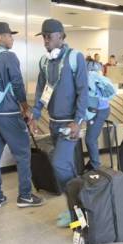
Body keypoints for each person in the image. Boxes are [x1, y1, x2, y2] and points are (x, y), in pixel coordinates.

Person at [30, 18, 88, 226]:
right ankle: (77, 210)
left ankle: (80, 208)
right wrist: (35, 114)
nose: (45, 40)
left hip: (70, 124)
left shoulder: (75, 58)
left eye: (49, 36)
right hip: (54, 123)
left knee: (59, 163)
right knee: (68, 167)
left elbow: (83, 91)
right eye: (43, 37)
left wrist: (78, 121)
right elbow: (41, 90)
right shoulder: (45, 62)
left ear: (61, 36)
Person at [0, 22, 43, 208]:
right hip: (8, 113)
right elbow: (17, 84)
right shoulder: (8, 57)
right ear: (0, 37)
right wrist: (25, 107)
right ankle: (25, 195)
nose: (12, 38)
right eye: (9, 35)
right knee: (23, 153)